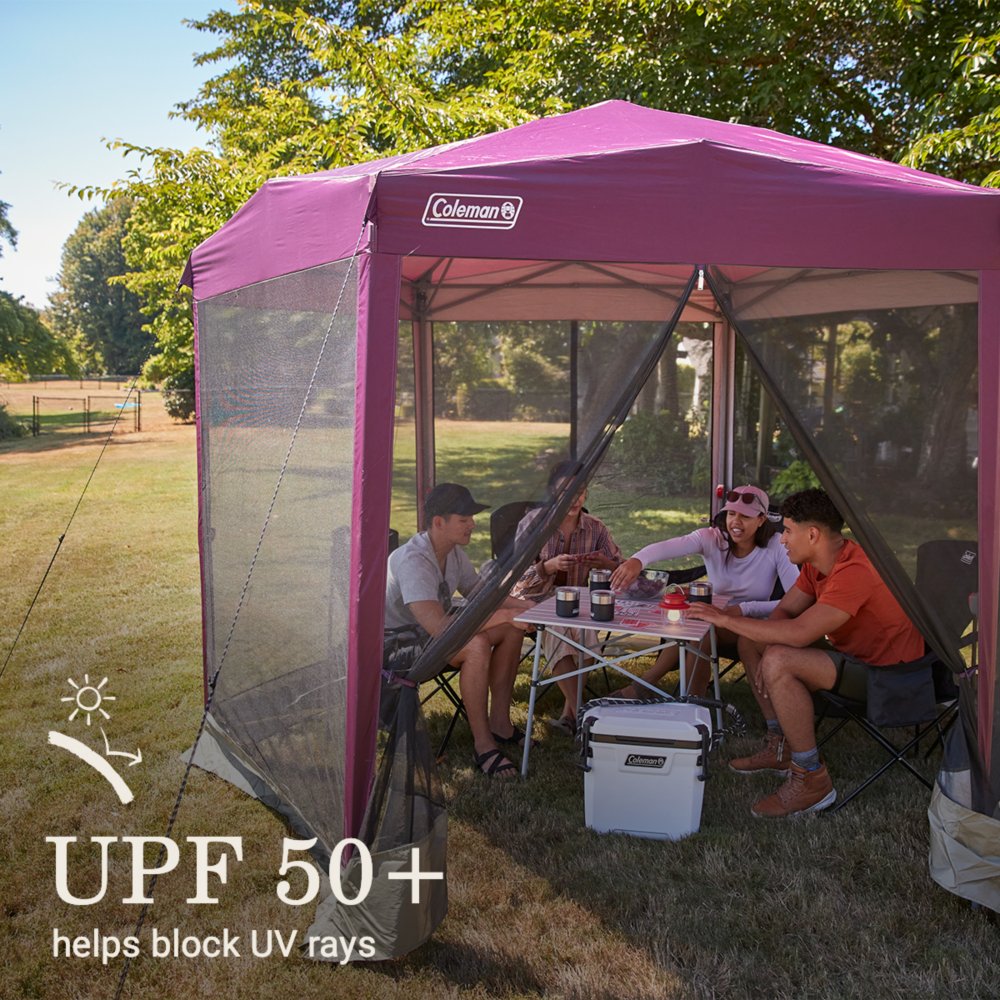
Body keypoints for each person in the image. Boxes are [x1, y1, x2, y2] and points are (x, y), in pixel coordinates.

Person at [686, 488, 925, 818]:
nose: (782, 540)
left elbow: (799, 633)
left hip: (889, 674)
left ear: (812, 534)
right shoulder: (818, 564)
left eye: (787, 531)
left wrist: (725, 618)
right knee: (753, 643)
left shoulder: (855, 571)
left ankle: (811, 777)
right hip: (853, 655)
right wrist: (763, 640)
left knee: (780, 660)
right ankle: (780, 746)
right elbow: (784, 612)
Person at [384, 482, 532, 779]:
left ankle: (499, 724)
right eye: (464, 520)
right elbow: (440, 628)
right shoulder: (414, 560)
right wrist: (505, 614)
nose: (473, 525)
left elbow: (482, 593)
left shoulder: (452, 553)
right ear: (439, 522)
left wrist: (527, 606)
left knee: (510, 630)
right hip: (396, 647)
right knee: (476, 643)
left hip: (428, 637)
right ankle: (483, 745)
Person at [609, 485, 798, 698]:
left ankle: (657, 689)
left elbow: (794, 601)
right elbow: (667, 547)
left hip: (755, 628)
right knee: (697, 623)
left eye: (745, 516)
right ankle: (686, 699)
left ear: (761, 519)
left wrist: (743, 609)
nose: (735, 522)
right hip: (714, 621)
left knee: (700, 625)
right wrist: (637, 561)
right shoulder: (711, 538)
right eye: (731, 513)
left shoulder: (777, 546)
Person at [511, 463, 623, 735]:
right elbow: (513, 579)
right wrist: (546, 567)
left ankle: (569, 714)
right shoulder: (534, 524)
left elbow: (623, 568)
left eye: (580, 491)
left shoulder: (595, 528)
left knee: (586, 632)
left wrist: (606, 563)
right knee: (560, 628)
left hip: (578, 601)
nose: (575, 499)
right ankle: (584, 712)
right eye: (567, 491)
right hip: (533, 601)